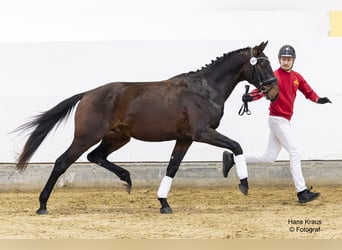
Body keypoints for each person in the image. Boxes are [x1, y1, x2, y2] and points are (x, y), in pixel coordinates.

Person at [222, 44, 331, 203]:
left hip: (284, 121)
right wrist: (250, 97)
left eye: (288, 59)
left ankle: (234, 158)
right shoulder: (274, 76)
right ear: (279, 60)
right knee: (295, 152)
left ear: (293, 60)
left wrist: (318, 100)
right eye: (283, 59)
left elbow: (308, 91)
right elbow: (262, 90)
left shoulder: (296, 77)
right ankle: (301, 192)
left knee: (269, 157)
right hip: (277, 120)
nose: (286, 62)